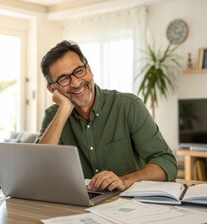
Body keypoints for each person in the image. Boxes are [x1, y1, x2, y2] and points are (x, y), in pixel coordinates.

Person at [36, 40, 178, 192]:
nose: (76, 83)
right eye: (64, 79)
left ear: (89, 70)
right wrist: (64, 109)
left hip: (130, 204)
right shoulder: (53, 116)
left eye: (79, 71)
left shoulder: (129, 105)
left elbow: (166, 162)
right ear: (52, 89)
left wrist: (125, 180)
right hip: (80, 207)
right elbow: (38, 169)